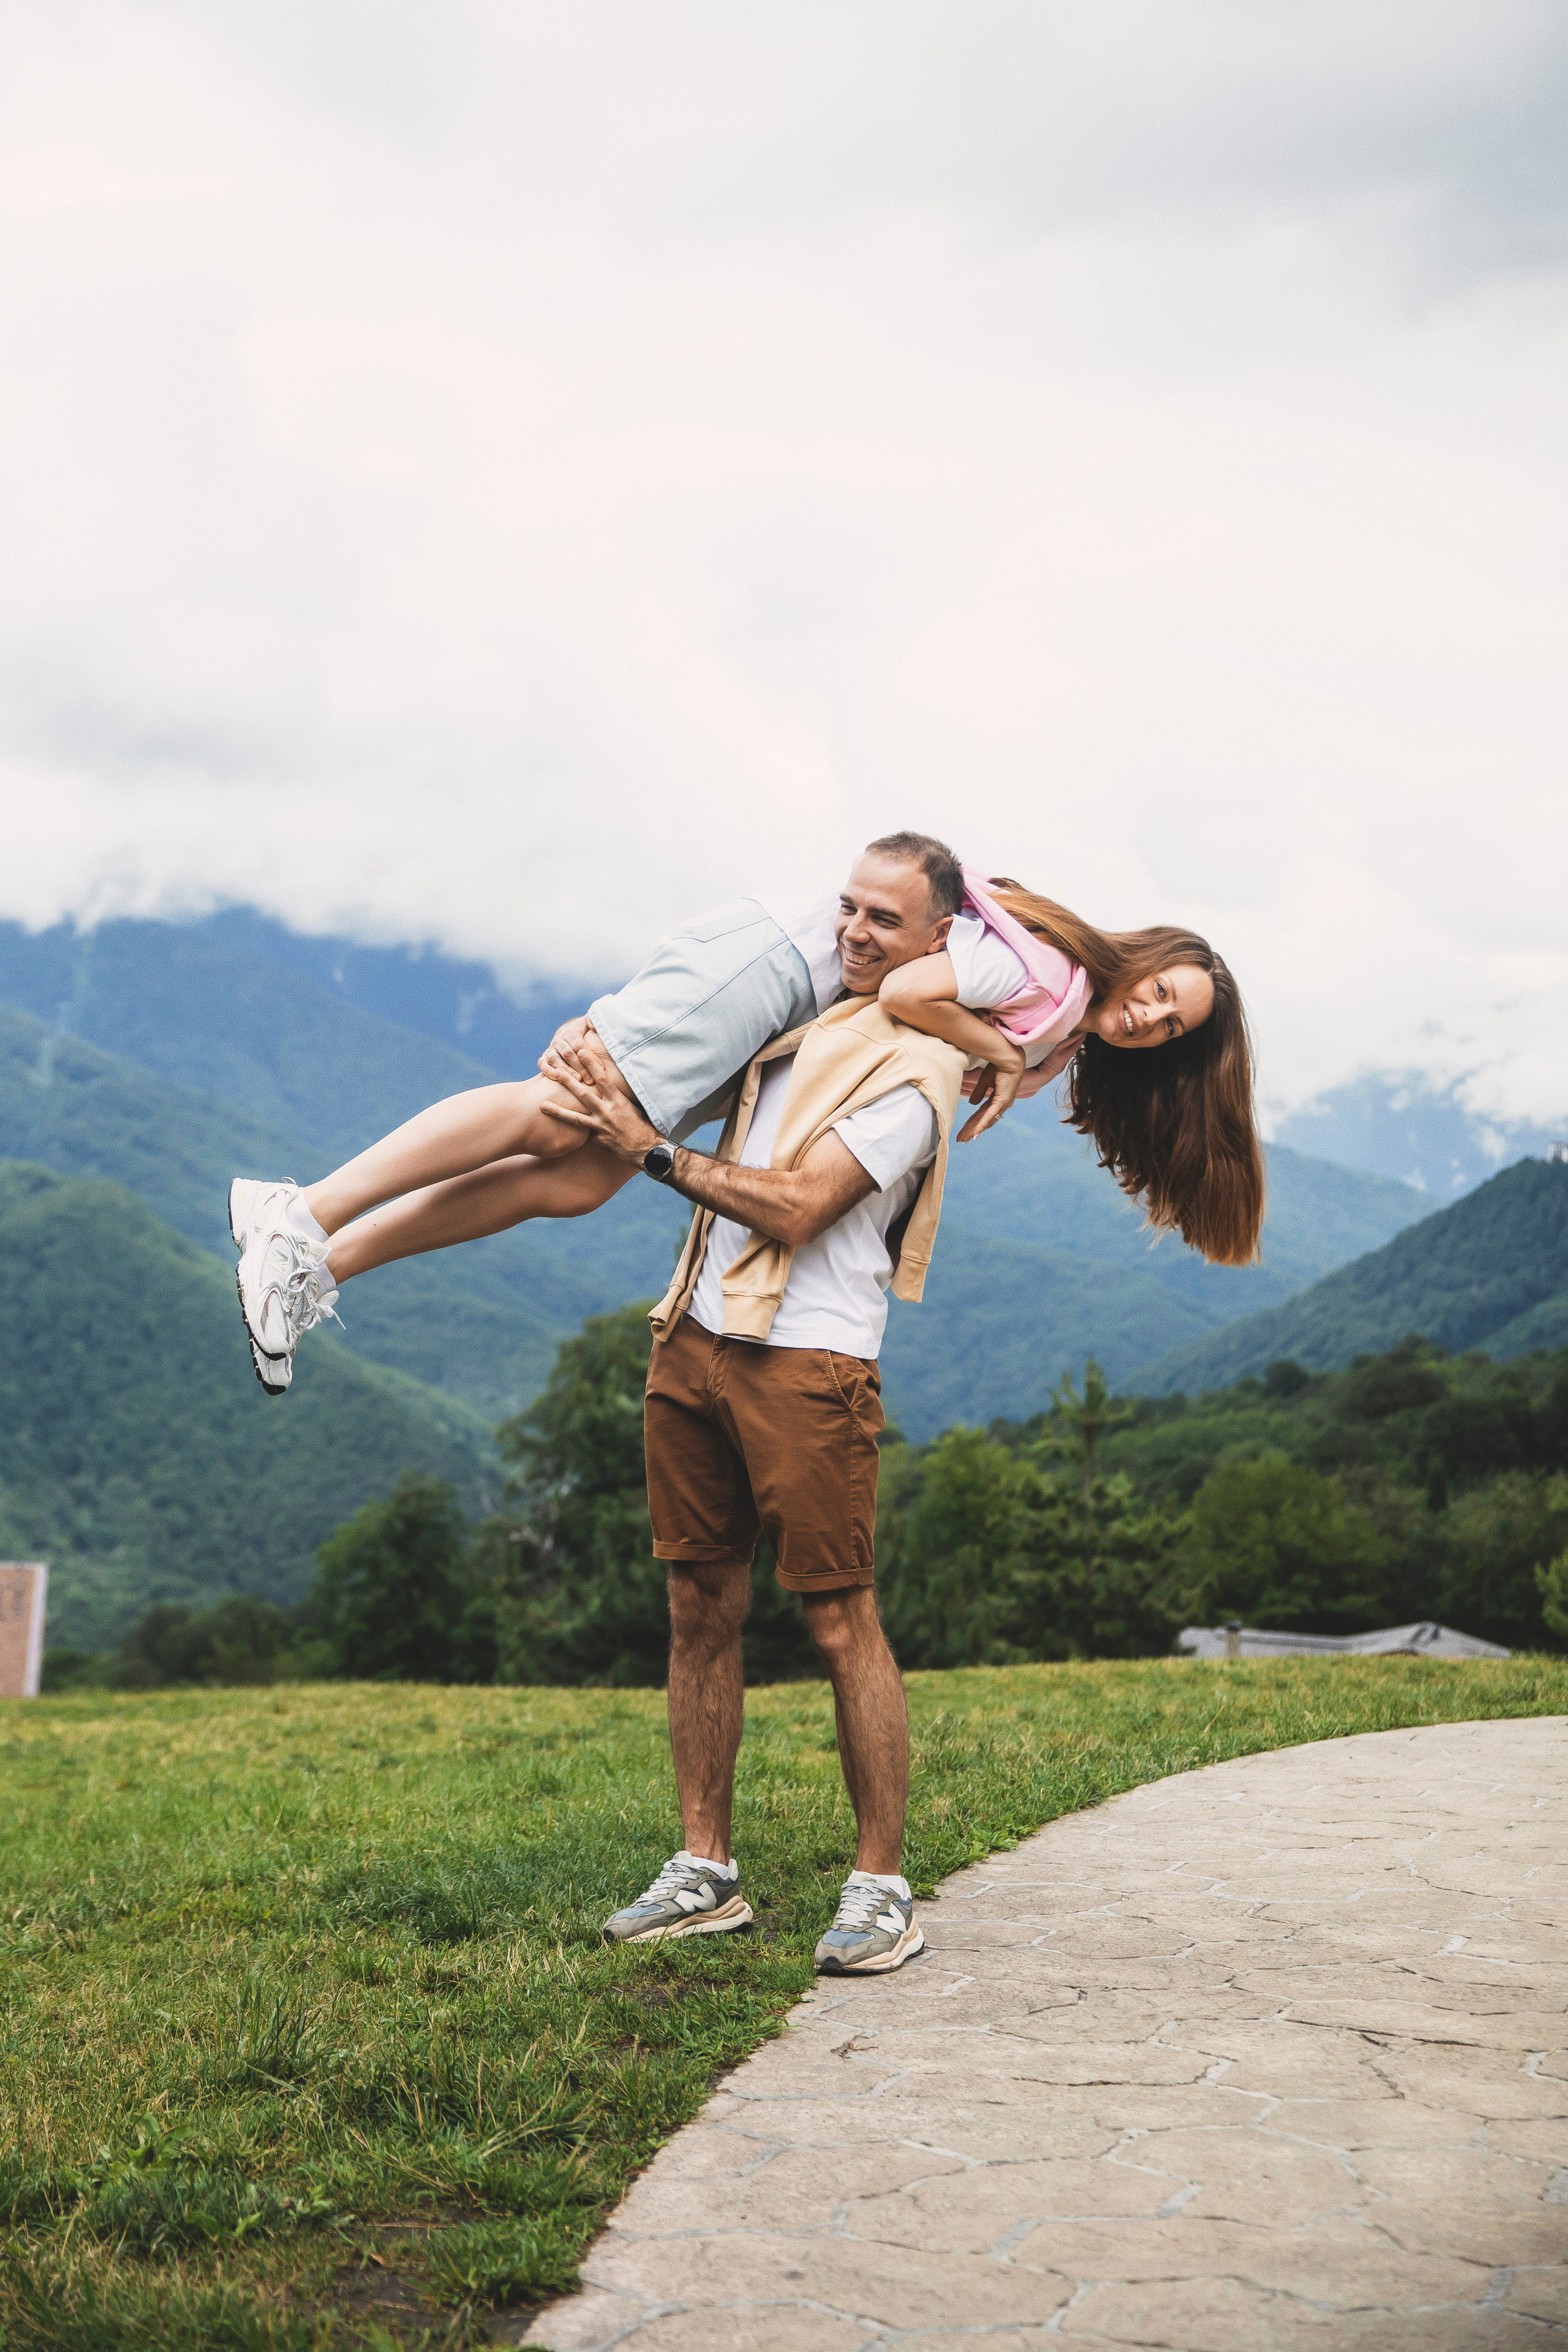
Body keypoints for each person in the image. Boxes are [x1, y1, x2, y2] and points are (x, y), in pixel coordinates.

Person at [228, 832, 1264, 1391]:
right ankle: (304, 1212)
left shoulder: (1071, 1020)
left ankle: (322, 1260)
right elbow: (907, 994)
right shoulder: (1057, 977)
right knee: (560, 1111)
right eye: (1163, 995)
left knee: (586, 1178)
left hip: (786, 1005)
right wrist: (996, 1050)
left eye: (1172, 1032)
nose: (1151, 1021)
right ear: (1155, 955)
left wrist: (1017, 1060)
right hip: (779, 966)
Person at [540, 872, 969, 1972]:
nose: (857, 932)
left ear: (942, 940)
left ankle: (882, 1889)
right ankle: (706, 1872)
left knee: (838, 1620)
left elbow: (799, 1204)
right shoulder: (804, 1021)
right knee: (697, 1605)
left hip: (810, 1366)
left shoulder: (920, 1070)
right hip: (693, 1337)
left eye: (887, 919)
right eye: (850, 909)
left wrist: (643, 1145)